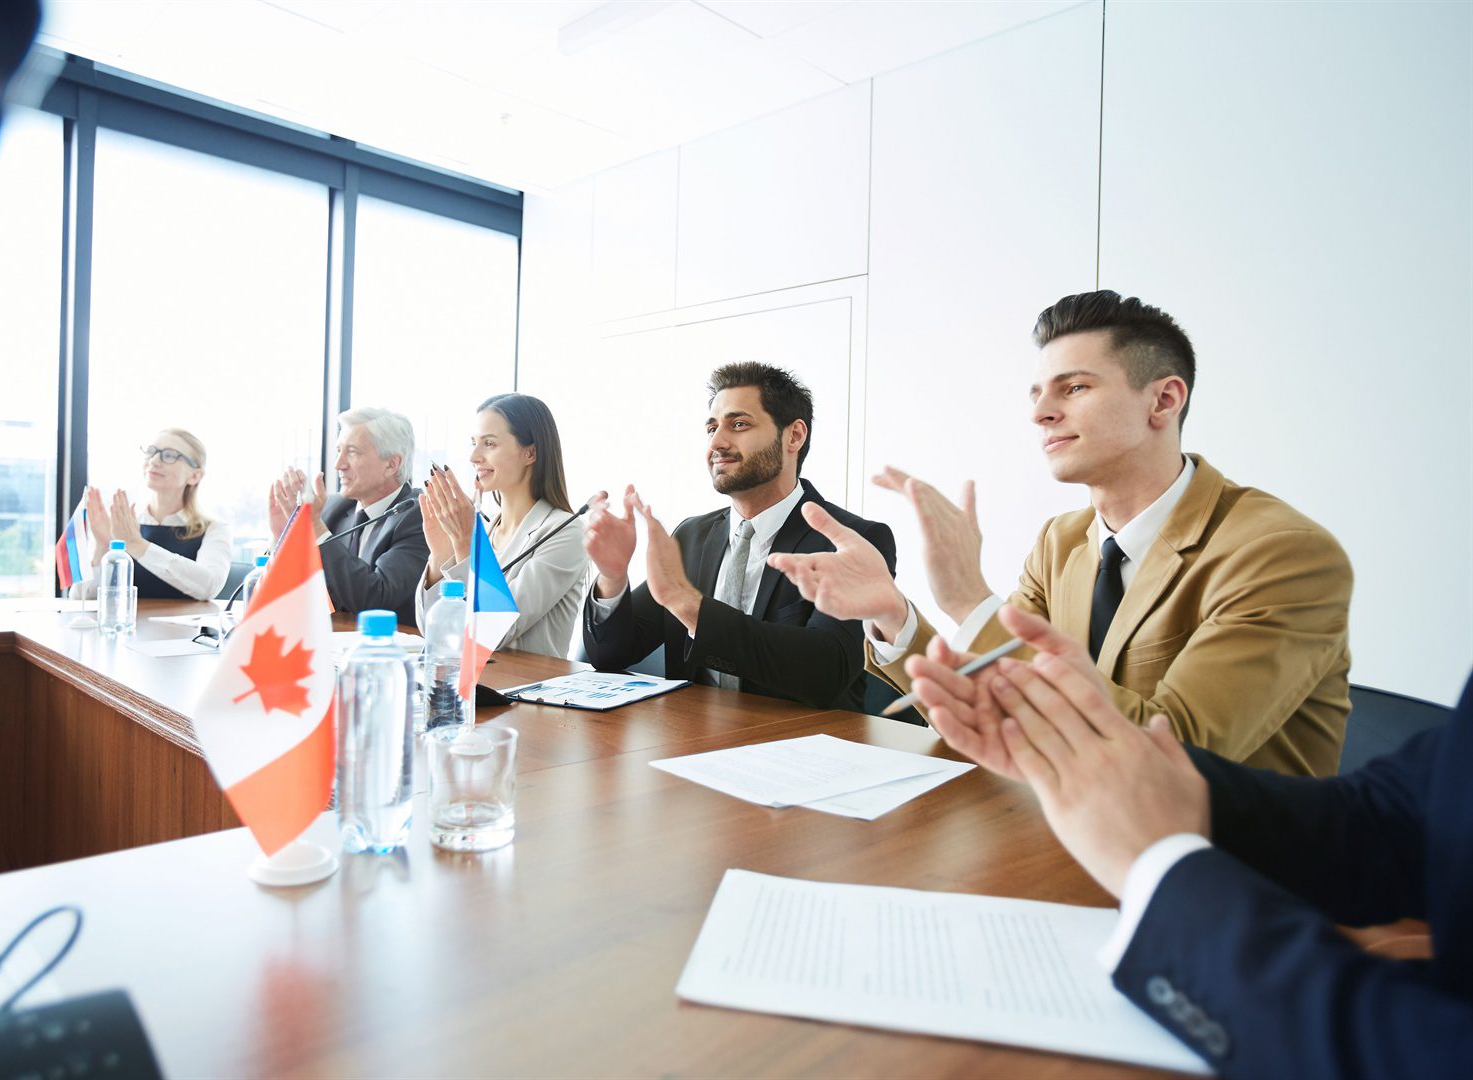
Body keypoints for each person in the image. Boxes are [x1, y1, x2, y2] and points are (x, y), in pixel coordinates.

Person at [768, 291, 1351, 776]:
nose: (1040, 413)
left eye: (1073, 388)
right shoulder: (1061, 540)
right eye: (1038, 393)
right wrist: (894, 612)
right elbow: (998, 692)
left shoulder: (1282, 552)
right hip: (1071, 830)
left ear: (1164, 400)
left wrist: (970, 599)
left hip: (1232, 872)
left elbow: (1178, 751)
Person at [911, 604, 1470, 1077]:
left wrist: (1164, 869)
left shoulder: (1278, 548)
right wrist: (1113, 752)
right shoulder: (1061, 540)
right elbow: (1390, 817)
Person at [582, 362, 896, 711]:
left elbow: (826, 672)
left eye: (739, 424)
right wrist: (612, 577)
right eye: (712, 428)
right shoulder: (691, 535)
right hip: (690, 744)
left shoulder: (854, 541)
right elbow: (610, 655)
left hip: (800, 749)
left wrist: (688, 605)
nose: (716, 443)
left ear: (794, 436)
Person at [415, 394, 588, 658]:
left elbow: (495, 634)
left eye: (489, 444)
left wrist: (464, 544)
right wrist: (440, 557)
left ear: (530, 453)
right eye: (473, 443)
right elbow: (432, 630)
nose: (474, 456)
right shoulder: (485, 528)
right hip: (470, 687)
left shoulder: (565, 532)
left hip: (528, 692)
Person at [268, 406, 427, 623]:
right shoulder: (333, 508)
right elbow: (293, 594)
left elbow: (375, 600)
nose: (338, 465)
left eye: (352, 452)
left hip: (388, 649)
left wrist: (314, 526)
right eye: (338, 451)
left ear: (391, 464)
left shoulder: (419, 515)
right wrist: (282, 535)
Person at [70, 428, 232, 602]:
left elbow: (209, 587)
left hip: (188, 630)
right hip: (127, 628)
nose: (154, 461)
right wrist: (102, 547)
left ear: (195, 475)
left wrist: (137, 544)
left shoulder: (214, 529)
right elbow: (80, 599)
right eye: (151, 452)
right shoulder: (125, 524)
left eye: (170, 455)